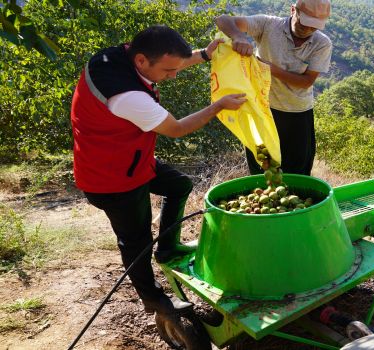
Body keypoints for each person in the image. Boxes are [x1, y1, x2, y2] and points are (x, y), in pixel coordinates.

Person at [70, 25, 246, 315]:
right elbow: (176, 129)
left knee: (179, 186)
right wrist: (218, 106)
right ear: (141, 61)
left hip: (128, 157)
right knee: (135, 241)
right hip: (112, 179)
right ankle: (152, 298)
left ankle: (166, 248)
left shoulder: (117, 56)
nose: (173, 75)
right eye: (168, 71)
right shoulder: (127, 97)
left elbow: (167, 61)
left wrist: (203, 55)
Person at [216, 0, 332, 176]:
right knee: (263, 166)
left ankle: (295, 202)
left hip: (298, 114)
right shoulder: (268, 25)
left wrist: (268, 68)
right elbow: (223, 20)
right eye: (305, 24)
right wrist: (238, 36)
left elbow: (306, 81)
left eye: (314, 27)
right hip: (262, 111)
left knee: (298, 170)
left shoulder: (322, 43)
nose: (307, 30)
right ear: (294, 10)